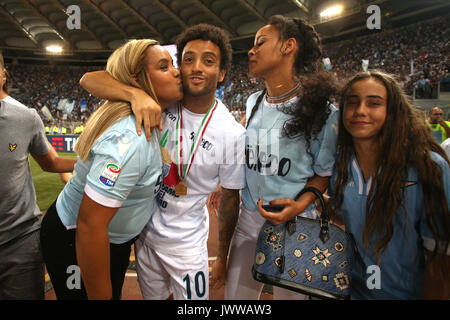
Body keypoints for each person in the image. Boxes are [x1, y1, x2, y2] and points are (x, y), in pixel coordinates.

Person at [79, 24, 245, 300]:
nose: (196, 67)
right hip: (145, 237)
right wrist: (136, 94)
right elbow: (89, 80)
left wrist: (222, 257)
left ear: (222, 73)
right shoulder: (164, 100)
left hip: (187, 246)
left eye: (208, 61)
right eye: (189, 59)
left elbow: (230, 198)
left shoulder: (232, 133)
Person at [40, 39, 183, 300]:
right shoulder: (129, 141)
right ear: (137, 79)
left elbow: (92, 79)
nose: (177, 71)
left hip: (108, 240)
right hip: (78, 241)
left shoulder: (152, 116)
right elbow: (90, 224)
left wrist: (134, 92)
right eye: (164, 67)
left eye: (173, 64)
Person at [223, 15, 340, 300]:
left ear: (288, 46)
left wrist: (298, 205)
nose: (251, 51)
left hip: (296, 222)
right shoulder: (254, 101)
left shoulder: (324, 112)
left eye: (260, 42)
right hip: (249, 217)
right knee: (236, 299)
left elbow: (323, 174)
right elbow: (262, 154)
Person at [328, 70, 450, 299]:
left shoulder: (429, 168)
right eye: (352, 103)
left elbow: (440, 259)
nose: (360, 111)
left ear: (392, 111)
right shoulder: (335, 165)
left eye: (373, 103)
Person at [0, 52, 76, 299]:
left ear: (3, 75)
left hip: (19, 240)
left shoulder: (25, 117)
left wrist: (89, 162)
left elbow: (51, 162)